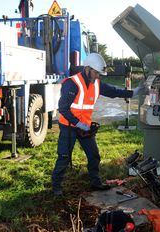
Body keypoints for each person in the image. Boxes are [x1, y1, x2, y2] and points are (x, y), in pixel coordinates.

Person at [51, 53, 142, 196]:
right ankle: (56, 187)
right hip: (69, 126)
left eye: (100, 74)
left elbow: (113, 91)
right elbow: (63, 108)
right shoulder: (72, 83)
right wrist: (77, 123)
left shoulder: (97, 84)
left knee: (94, 155)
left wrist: (133, 93)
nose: (98, 76)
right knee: (64, 157)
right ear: (87, 69)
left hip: (85, 127)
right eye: (96, 73)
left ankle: (95, 182)